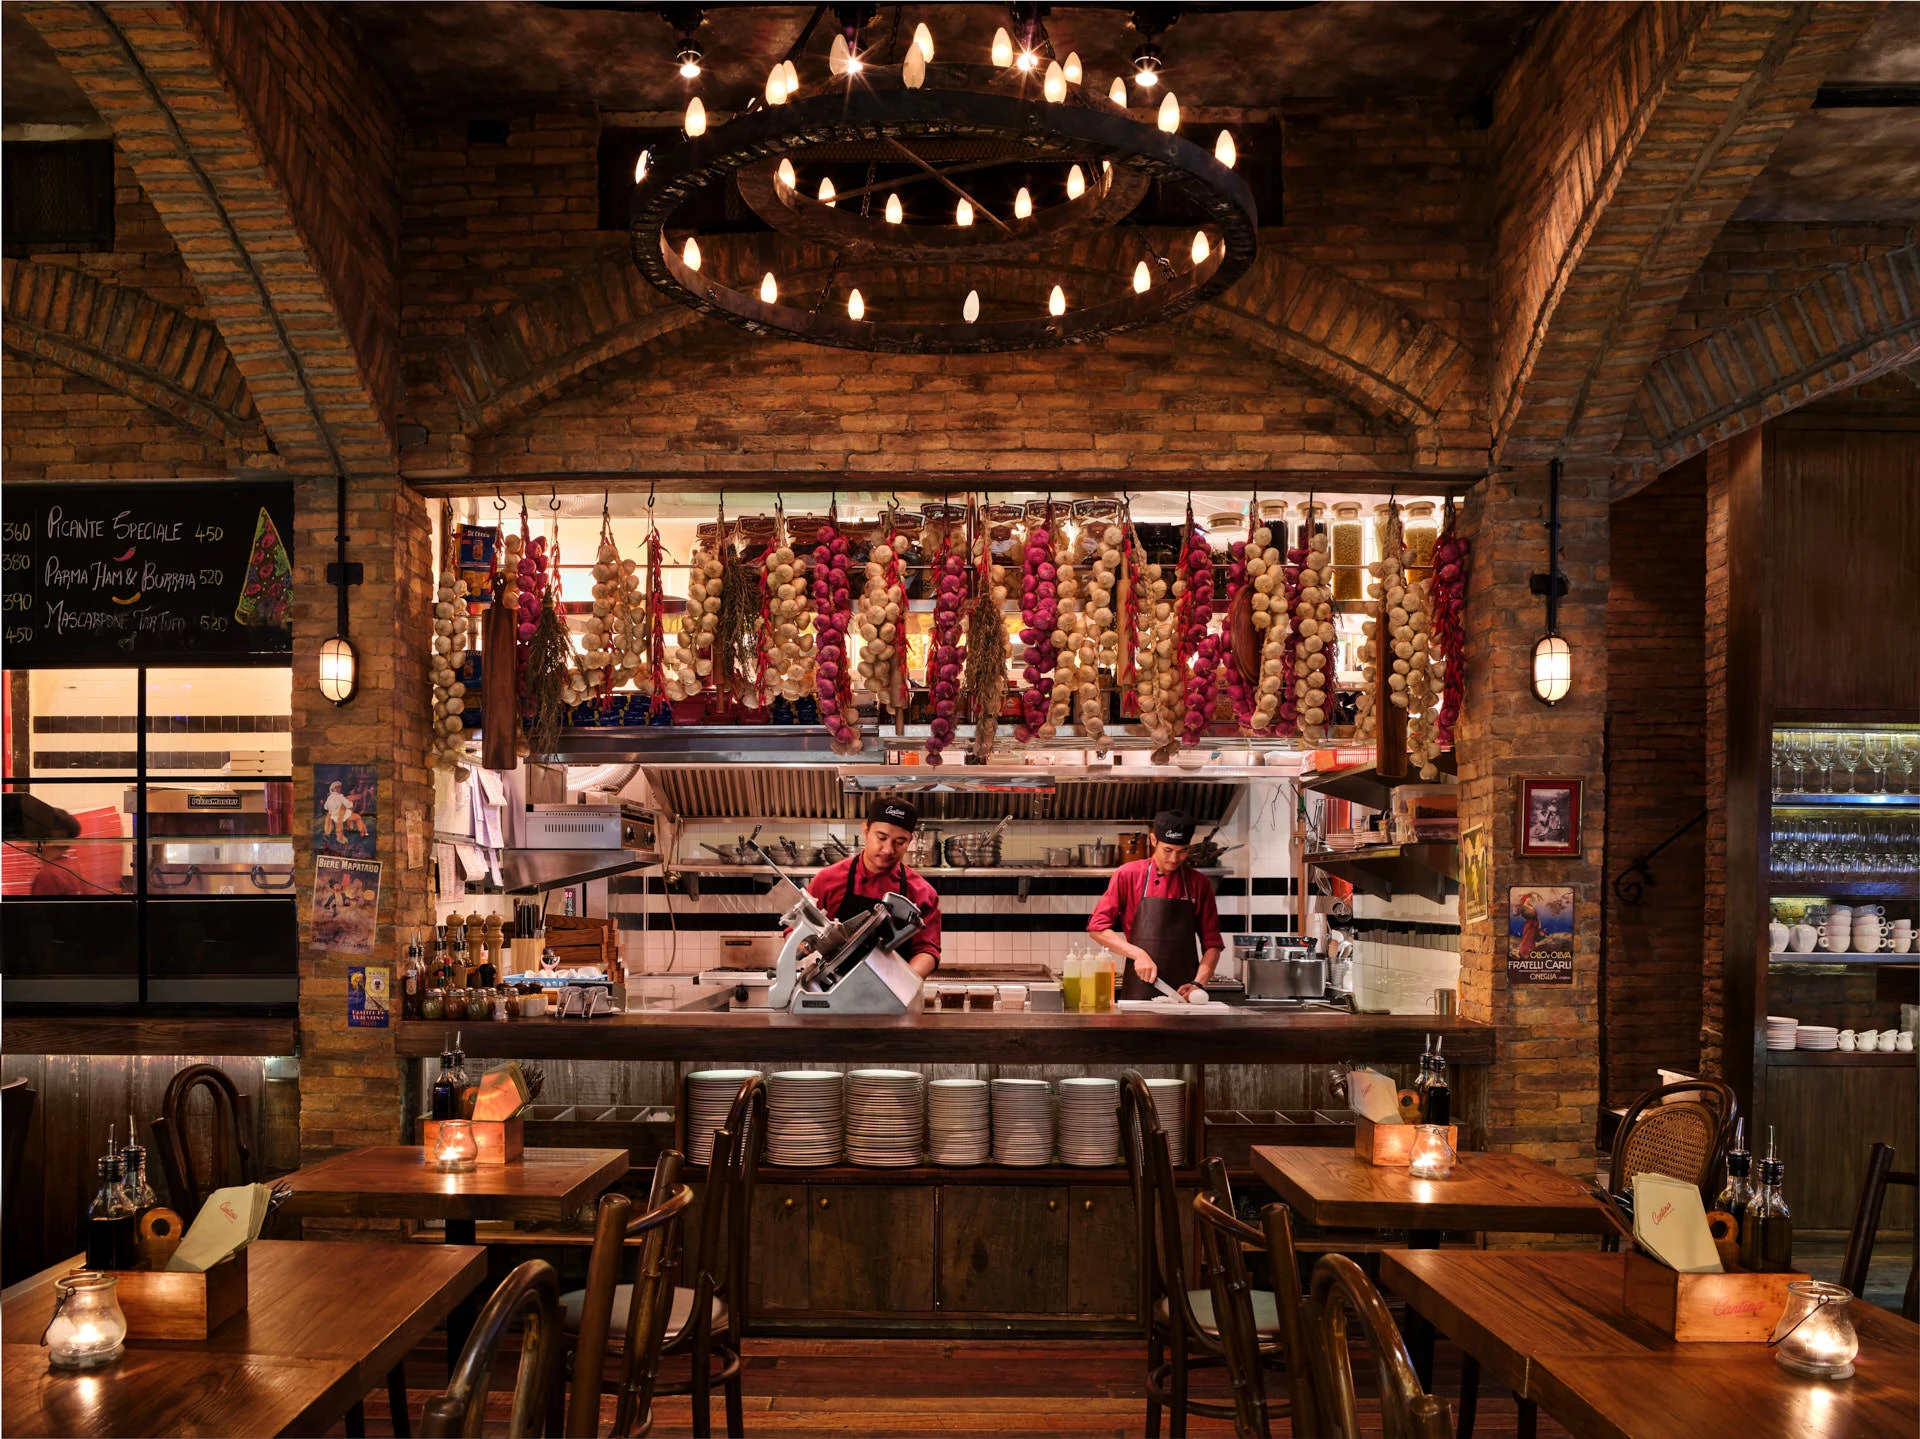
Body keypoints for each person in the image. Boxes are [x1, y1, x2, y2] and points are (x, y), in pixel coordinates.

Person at [1087, 809, 1223, 1000]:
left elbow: (1213, 944)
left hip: (1185, 992)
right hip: (1139, 986)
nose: (1174, 859)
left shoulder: (1199, 883)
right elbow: (1097, 928)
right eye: (1168, 850)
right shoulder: (1128, 875)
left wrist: (1199, 983)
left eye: (1182, 851)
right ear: (1153, 840)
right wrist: (1138, 954)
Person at [804, 796, 942, 978]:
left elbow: (927, 950)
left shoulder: (922, 892)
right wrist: (806, 946)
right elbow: (798, 934)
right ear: (866, 831)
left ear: (910, 841)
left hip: (895, 990)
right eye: (881, 837)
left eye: (900, 842)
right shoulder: (827, 880)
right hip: (836, 990)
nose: (888, 849)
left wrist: (903, 985)